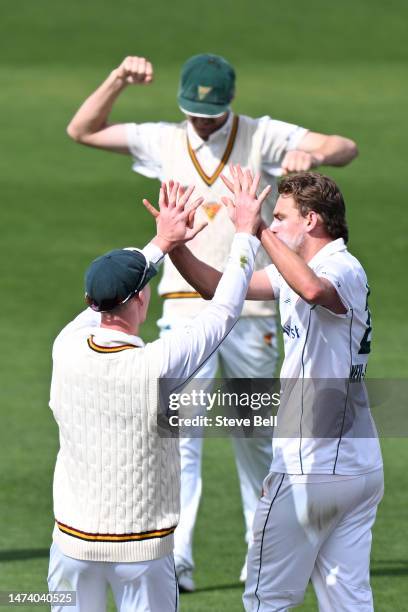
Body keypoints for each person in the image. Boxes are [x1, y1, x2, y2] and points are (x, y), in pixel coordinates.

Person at [66, 53, 359, 589]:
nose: (201, 122)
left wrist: (310, 151)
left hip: (253, 307)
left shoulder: (261, 134)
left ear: (229, 104)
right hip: (182, 305)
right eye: (193, 112)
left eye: (211, 113)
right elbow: (82, 130)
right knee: (180, 438)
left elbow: (346, 147)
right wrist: (117, 79)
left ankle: (261, 553)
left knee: (254, 437)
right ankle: (177, 556)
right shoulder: (163, 139)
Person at [164, 166, 383, 611]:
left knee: (266, 600)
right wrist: (175, 247)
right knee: (348, 600)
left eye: (282, 216)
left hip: (310, 468)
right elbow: (215, 287)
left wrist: (257, 228)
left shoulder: (340, 267)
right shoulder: (305, 267)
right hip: (354, 467)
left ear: (312, 221)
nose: (276, 223)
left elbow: (312, 289)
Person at [47, 177, 269, 612]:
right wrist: (244, 233)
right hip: (143, 553)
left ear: (91, 302)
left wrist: (161, 242)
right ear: (142, 300)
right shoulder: (159, 364)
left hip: (70, 548)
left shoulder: (65, 347)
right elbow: (223, 310)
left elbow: (102, 303)